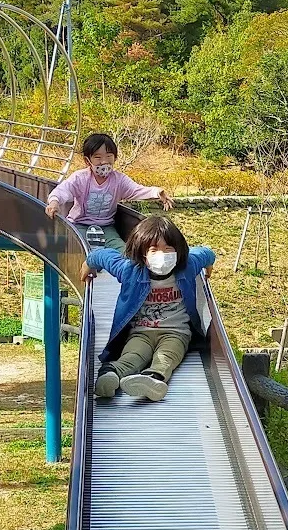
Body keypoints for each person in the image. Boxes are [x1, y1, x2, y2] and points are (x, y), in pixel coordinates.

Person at [81, 215, 215, 402]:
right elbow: (104, 256)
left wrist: (208, 265)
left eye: (168, 249)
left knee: (166, 356)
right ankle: (110, 376)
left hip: (176, 332)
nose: (162, 255)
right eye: (154, 250)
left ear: (178, 251)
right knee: (133, 355)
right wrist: (88, 263)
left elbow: (205, 253)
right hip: (141, 332)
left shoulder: (187, 266)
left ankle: (153, 379)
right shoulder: (130, 270)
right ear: (142, 254)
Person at [45, 133, 174, 253]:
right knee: (80, 251)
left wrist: (157, 192)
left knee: (123, 252)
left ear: (115, 157)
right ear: (87, 161)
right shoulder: (80, 178)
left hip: (106, 228)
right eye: (98, 157)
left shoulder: (119, 180)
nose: (104, 161)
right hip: (80, 224)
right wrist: (54, 201)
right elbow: (64, 190)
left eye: (108, 156)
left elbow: (136, 190)